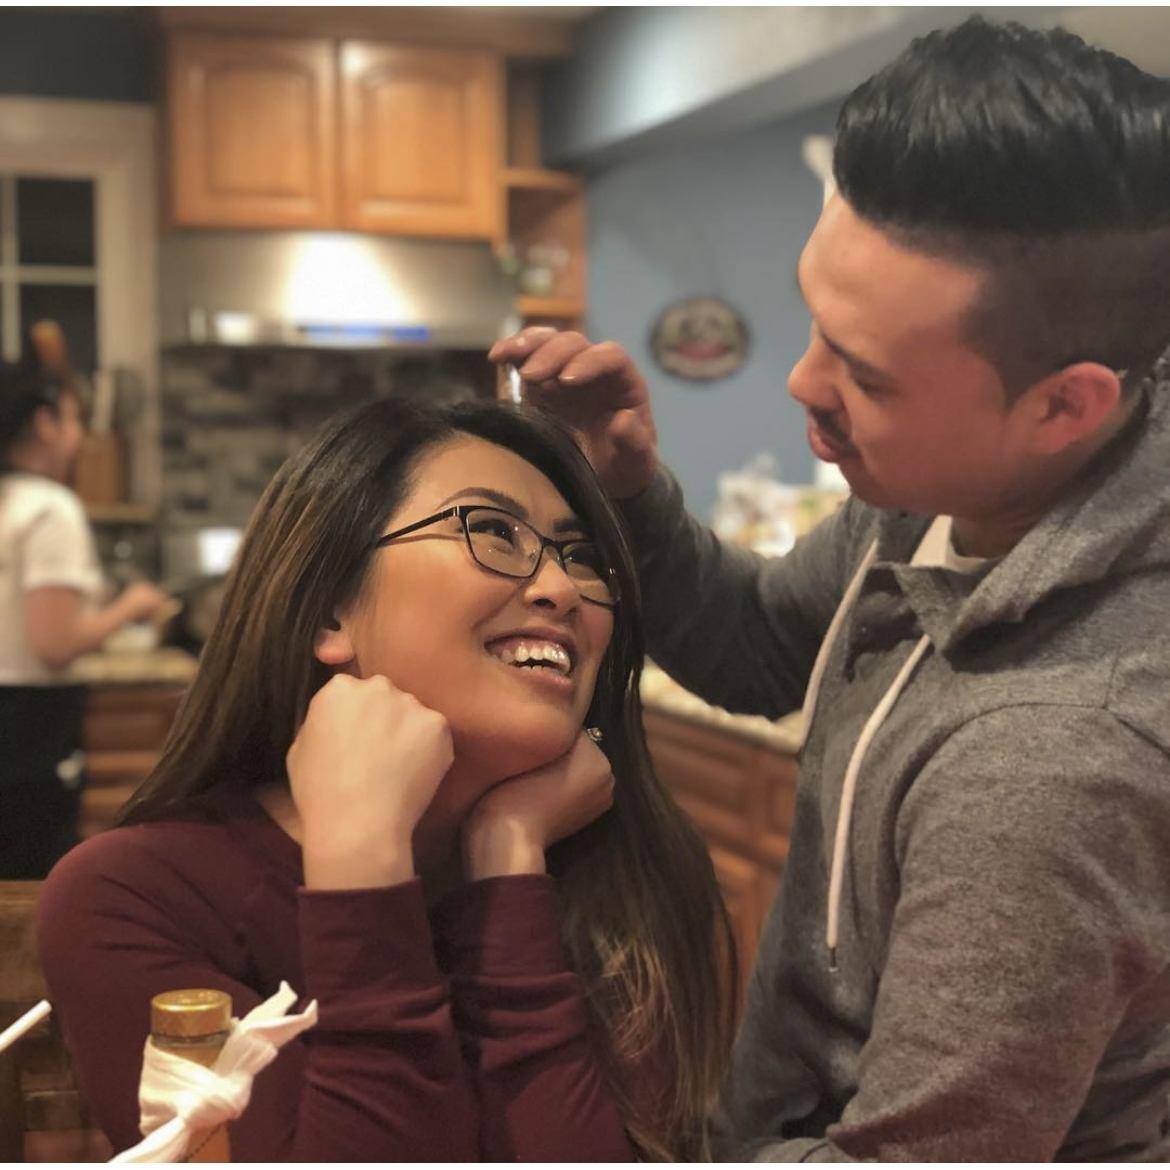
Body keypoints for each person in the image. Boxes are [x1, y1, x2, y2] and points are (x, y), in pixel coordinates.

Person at [489, 16, 1170, 1161]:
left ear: (1064, 405)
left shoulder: (1056, 767)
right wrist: (630, 493)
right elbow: (760, 645)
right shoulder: (949, 488)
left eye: (865, 375)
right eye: (816, 321)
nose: (802, 383)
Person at [37, 396, 734, 1160]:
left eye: (580, 557)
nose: (562, 589)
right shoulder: (136, 897)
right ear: (330, 611)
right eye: (492, 531)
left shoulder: (634, 880)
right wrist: (362, 860)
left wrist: (508, 855)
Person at [0, 344, 169, 878]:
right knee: (32, 878)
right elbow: (54, 646)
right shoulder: (50, 509)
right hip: (28, 725)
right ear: (44, 423)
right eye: (74, 418)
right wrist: (130, 607)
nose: (80, 435)